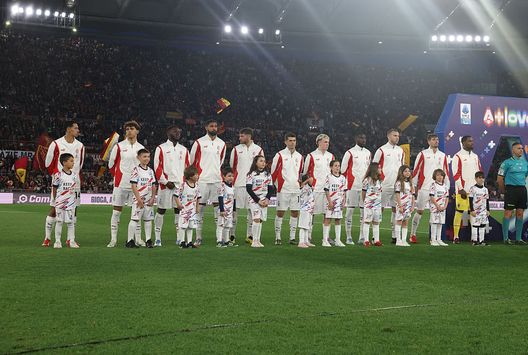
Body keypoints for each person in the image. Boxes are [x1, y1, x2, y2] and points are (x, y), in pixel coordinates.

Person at [42, 120, 84, 247]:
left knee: (73, 210)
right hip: (60, 182)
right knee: (54, 210)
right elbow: (48, 163)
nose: (78, 130)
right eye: (76, 128)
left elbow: (80, 164)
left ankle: (70, 239)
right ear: (68, 129)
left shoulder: (80, 146)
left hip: (74, 182)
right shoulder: (56, 144)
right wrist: (57, 176)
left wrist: (73, 177)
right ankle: (47, 237)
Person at [107, 121, 145, 248]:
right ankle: (113, 240)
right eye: (127, 129)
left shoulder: (141, 148)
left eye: (132, 128)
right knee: (116, 212)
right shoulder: (119, 146)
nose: (129, 131)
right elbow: (111, 164)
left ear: (137, 131)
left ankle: (138, 239)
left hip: (136, 186)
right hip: (121, 184)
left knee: (136, 213)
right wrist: (119, 176)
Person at [190, 119, 226, 246]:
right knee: (199, 209)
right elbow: (192, 160)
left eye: (216, 126)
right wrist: (198, 175)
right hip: (202, 180)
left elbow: (220, 161)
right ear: (206, 127)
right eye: (211, 126)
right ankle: (198, 237)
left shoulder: (222, 143)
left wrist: (215, 172)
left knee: (218, 208)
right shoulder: (199, 142)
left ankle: (219, 238)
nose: (214, 128)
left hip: (216, 180)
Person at [153, 126, 190, 247]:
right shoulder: (161, 148)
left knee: (178, 210)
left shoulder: (183, 149)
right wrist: (164, 181)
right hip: (166, 185)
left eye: (179, 131)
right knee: (161, 210)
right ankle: (157, 238)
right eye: (175, 131)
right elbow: (157, 167)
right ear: (168, 132)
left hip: (179, 185)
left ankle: (179, 237)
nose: (178, 133)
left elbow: (187, 167)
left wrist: (184, 182)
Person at [410, 134, 450, 243]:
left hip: (438, 189)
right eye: (433, 140)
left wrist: (447, 186)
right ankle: (413, 234)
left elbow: (446, 172)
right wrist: (413, 187)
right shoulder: (422, 154)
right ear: (428, 142)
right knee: (420, 211)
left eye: (437, 140)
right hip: (425, 187)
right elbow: (416, 171)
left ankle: (435, 238)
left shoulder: (443, 155)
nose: (436, 141)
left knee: (437, 212)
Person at [229, 127, 263, 244]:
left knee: (251, 212)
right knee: (234, 211)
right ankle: (232, 235)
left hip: (253, 186)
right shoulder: (236, 149)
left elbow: (261, 166)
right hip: (239, 184)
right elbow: (232, 166)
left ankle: (250, 236)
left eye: (242, 136)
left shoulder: (258, 149)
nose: (240, 138)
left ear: (248, 136)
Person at [372, 128, 404, 244]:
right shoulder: (381, 150)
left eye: (398, 136)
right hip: (384, 185)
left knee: (396, 210)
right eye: (395, 135)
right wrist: (378, 181)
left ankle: (395, 235)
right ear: (388, 136)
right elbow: (374, 167)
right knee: (379, 209)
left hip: (396, 185)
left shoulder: (400, 150)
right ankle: (375, 236)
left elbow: (402, 167)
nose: (397, 137)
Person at [271, 132, 303, 245]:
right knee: (280, 212)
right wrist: (279, 185)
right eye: (290, 140)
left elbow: (299, 173)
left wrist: (299, 184)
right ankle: (278, 237)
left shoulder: (299, 156)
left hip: (295, 189)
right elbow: (273, 173)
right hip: (283, 189)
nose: (292, 143)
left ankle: (292, 237)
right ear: (285, 142)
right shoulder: (279, 155)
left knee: (295, 212)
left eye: (294, 140)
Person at [303, 134, 335, 242]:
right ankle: (308, 235)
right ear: (319, 142)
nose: (327, 144)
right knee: (311, 213)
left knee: (327, 213)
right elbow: (305, 173)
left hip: (327, 190)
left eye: (328, 142)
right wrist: (310, 180)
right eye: (325, 142)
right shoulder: (311, 156)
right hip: (315, 189)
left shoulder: (331, 156)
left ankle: (326, 237)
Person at [341, 133, 371, 245]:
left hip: (364, 187)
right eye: (361, 138)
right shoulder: (350, 153)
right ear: (356, 139)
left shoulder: (368, 153)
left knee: (364, 212)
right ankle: (348, 237)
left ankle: (362, 237)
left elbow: (369, 170)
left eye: (365, 138)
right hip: (352, 186)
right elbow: (343, 170)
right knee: (350, 211)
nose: (363, 139)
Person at [451, 135, 482, 244]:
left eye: (472, 141)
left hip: (475, 191)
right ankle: (455, 237)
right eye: (469, 141)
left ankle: (474, 238)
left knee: (473, 213)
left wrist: (480, 187)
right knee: (459, 212)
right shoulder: (457, 156)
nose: (472, 143)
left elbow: (479, 173)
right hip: (463, 191)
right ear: (463, 143)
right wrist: (460, 188)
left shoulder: (475, 156)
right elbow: (456, 174)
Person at [497, 142, 528, 245]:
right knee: (508, 213)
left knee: (520, 213)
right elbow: (500, 178)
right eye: (519, 148)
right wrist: (502, 190)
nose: (521, 150)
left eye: (522, 148)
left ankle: (518, 239)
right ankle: (506, 238)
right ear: (513, 150)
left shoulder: (525, 163)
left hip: (522, 190)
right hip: (511, 189)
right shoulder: (506, 163)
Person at [127, 149, 157, 248]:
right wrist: (139, 199)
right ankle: (130, 240)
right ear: (138, 158)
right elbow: (133, 186)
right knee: (135, 219)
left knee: (148, 220)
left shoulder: (150, 171)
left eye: (148, 156)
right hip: (138, 200)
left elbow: (153, 185)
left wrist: (153, 197)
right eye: (144, 156)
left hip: (148, 200)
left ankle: (148, 240)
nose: (147, 159)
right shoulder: (136, 170)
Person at [52, 153, 80, 249]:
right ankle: (57, 241)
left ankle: (72, 241)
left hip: (71, 203)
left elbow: (75, 189)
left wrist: (75, 201)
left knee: (70, 222)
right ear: (64, 162)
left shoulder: (75, 175)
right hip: (60, 203)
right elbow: (54, 188)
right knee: (59, 221)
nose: (73, 163)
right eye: (71, 161)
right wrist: (56, 199)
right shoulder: (58, 175)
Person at [246, 155, 274, 248]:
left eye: (264, 161)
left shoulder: (268, 175)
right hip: (254, 200)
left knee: (261, 220)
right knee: (256, 219)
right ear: (256, 162)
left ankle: (258, 240)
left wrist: (267, 199)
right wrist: (258, 200)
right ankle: (254, 241)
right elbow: (249, 189)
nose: (263, 163)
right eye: (261, 161)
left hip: (264, 200)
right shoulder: (251, 174)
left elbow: (271, 188)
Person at [174, 166, 201, 248]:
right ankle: (182, 242)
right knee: (183, 226)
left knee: (190, 226)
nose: (198, 176)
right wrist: (178, 204)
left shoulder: (196, 186)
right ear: (190, 176)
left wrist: (197, 208)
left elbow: (198, 197)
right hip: (184, 210)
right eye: (196, 174)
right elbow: (175, 195)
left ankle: (189, 242)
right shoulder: (183, 185)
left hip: (192, 211)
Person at [322, 160, 347, 247]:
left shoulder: (343, 178)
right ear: (331, 167)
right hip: (331, 201)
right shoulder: (328, 177)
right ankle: (325, 240)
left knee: (338, 219)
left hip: (339, 202)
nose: (337, 167)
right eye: (335, 166)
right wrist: (329, 202)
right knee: (328, 219)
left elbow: (344, 191)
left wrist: (344, 201)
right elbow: (326, 190)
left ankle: (338, 240)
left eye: (338, 166)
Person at [362, 163, 383, 247]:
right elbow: (363, 193)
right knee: (367, 221)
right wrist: (366, 202)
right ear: (375, 169)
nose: (381, 170)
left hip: (377, 205)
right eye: (379, 168)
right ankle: (366, 240)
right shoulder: (367, 180)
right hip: (369, 205)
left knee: (376, 222)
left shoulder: (379, 180)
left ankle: (376, 240)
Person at [394, 165, 414, 247]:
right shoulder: (399, 182)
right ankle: (398, 240)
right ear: (401, 172)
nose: (407, 173)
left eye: (409, 171)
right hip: (401, 205)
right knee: (399, 221)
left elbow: (413, 195)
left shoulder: (411, 183)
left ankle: (404, 240)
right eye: (405, 171)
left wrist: (413, 205)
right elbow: (397, 195)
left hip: (408, 206)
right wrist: (400, 206)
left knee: (406, 222)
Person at [216, 167, 236, 248]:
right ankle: (219, 241)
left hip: (230, 211)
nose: (231, 177)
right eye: (229, 176)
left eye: (232, 176)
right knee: (220, 225)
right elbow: (220, 197)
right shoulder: (222, 186)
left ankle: (226, 241)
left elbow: (234, 199)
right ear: (224, 176)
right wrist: (221, 209)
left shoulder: (233, 187)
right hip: (223, 210)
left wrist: (234, 210)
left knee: (227, 226)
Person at [469, 171, 490, 246]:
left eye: (482, 178)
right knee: (475, 225)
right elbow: (470, 200)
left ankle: (481, 241)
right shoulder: (473, 188)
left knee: (482, 225)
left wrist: (488, 210)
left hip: (483, 211)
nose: (481, 179)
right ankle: (474, 241)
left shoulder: (485, 189)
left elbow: (487, 200)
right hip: (475, 211)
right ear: (476, 179)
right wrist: (471, 210)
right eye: (479, 178)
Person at [429, 169, 449, 247]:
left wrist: (445, 206)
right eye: (438, 175)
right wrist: (437, 206)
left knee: (440, 223)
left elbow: (447, 197)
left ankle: (439, 239)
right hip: (435, 207)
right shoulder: (433, 185)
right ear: (434, 176)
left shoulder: (445, 186)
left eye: (441, 175)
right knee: (434, 223)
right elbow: (432, 196)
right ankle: (433, 239)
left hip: (442, 208)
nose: (440, 177)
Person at [297, 174, 315, 248]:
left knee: (308, 225)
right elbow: (302, 186)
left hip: (309, 209)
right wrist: (305, 181)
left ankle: (306, 241)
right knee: (303, 226)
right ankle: (301, 242)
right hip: (304, 209)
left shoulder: (309, 187)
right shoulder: (303, 187)